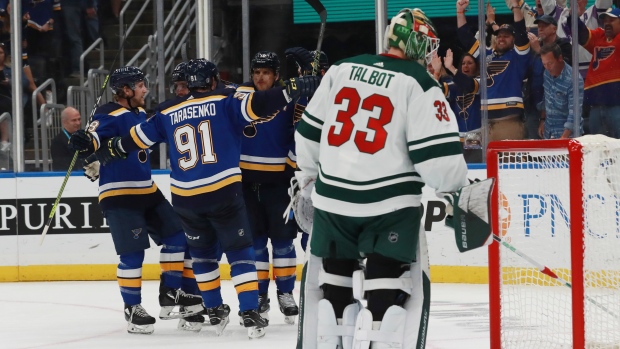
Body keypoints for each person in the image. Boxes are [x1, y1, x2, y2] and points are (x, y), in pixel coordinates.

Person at [85, 58, 320, 339]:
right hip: (222, 192)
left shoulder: (166, 110)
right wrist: (292, 88)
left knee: (201, 254)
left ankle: (210, 306)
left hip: (185, 198)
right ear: (211, 82)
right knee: (239, 252)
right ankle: (248, 311)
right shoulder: (225, 101)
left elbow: (133, 140)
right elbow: (262, 104)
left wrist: (106, 151)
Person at [295, 8, 468, 349]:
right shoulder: (421, 85)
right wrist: (455, 191)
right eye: (428, 46)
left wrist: (308, 180)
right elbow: (436, 158)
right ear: (417, 44)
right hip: (389, 206)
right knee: (386, 293)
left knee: (333, 287)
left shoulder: (342, 69)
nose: (431, 55)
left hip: (333, 201)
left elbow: (308, 133)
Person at [68, 66, 204, 335]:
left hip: (147, 191)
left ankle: (170, 292)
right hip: (119, 194)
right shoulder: (108, 112)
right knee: (132, 255)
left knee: (179, 236)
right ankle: (133, 309)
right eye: (141, 85)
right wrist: (86, 143)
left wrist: (102, 155)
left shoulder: (140, 113)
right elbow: (94, 137)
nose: (145, 89)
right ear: (126, 90)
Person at [238, 51, 300, 324]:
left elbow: (303, 134)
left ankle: (285, 293)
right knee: (256, 244)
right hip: (246, 184)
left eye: (266, 72)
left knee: (284, 243)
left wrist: (312, 77)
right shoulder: (239, 97)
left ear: (276, 76)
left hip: (280, 185)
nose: (260, 77)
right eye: (256, 72)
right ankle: (260, 294)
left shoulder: (291, 100)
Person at [457, 0, 531, 141]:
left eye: (506, 36)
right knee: (488, 163)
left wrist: (515, 6)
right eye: (499, 36)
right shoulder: (487, 55)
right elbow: (465, 37)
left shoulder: (518, 56)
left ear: (514, 39)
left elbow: (521, 32)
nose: (501, 39)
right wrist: (460, 12)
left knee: (510, 162)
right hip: (486, 123)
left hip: (508, 122)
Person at [572, 7, 620, 137]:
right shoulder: (599, 36)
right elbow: (581, 34)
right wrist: (574, 16)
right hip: (595, 106)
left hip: (617, 106)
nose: (607, 23)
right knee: (596, 149)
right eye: (605, 20)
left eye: (612, 20)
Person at [443, 49, 483, 163]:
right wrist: (436, 73)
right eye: (463, 63)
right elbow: (440, 89)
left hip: (476, 135)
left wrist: (451, 68)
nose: (466, 66)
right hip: (457, 137)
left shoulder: (481, 82)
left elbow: (468, 84)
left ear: (477, 66)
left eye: (470, 63)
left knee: (475, 167)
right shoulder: (454, 85)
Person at [538, 43, 584, 139]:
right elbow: (546, 98)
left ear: (559, 58)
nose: (547, 67)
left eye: (550, 63)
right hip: (548, 132)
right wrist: (542, 120)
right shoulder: (546, 73)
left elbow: (575, 112)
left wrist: (564, 137)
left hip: (567, 135)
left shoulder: (574, 79)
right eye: (544, 64)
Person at [61, 0, 99, 78]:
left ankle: (78, 69)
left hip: (72, 4)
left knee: (74, 38)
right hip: (69, 4)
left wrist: (90, 5)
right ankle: (79, 68)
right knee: (74, 37)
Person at [50, 106, 81, 171]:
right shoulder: (58, 142)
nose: (78, 123)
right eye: (74, 120)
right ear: (64, 122)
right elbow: (62, 166)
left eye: (79, 119)